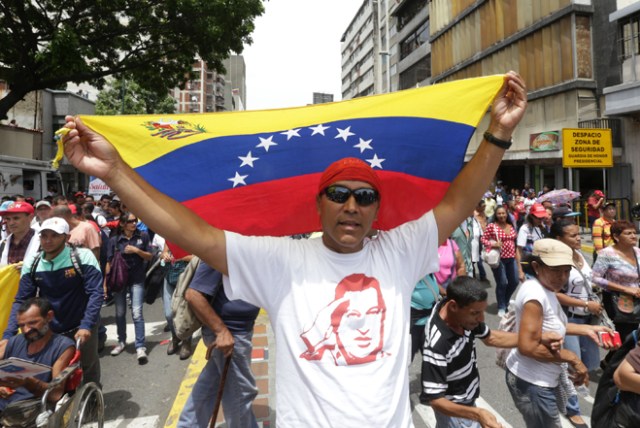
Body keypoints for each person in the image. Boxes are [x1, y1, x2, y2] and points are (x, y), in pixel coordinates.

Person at [61, 71, 527, 426]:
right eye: (338, 195)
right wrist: (114, 172)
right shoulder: (283, 261)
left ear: (376, 209)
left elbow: (459, 200)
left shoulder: (399, 250)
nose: (351, 205)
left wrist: (499, 133)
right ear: (318, 206)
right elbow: (193, 234)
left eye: (364, 197)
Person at [505, 239, 612, 428]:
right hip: (532, 382)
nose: (562, 277)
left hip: (542, 379)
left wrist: (589, 329)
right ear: (536, 266)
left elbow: (553, 326)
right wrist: (573, 359)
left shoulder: (547, 289)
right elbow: (527, 346)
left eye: (566, 270)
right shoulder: (535, 295)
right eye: (555, 270)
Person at [2, 217, 103, 385]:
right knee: (52, 371)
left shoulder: (83, 257)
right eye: (44, 236)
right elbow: (21, 300)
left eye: (54, 236)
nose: (48, 240)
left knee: (87, 365)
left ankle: (93, 398)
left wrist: (86, 325)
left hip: (82, 323)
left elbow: (96, 293)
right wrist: (8, 335)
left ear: (67, 237)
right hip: (50, 327)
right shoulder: (32, 263)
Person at [421, 276, 520, 427]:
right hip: (455, 414)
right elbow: (436, 400)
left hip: (468, 404)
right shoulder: (436, 344)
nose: (481, 318)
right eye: (475, 313)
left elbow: (490, 338)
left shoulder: (463, 317)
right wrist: (477, 414)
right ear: (453, 306)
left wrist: (532, 339)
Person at [178, 262, 260, 428]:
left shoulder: (244, 250)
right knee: (241, 394)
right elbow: (193, 295)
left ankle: (188, 425)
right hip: (229, 334)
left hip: (235, 332)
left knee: (211, 385)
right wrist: (221, 331)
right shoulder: (221, 249)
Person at [550, 220, 603, 428]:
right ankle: (572, 409)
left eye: (578, 234)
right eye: (572, 235)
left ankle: (560, 392)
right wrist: (584, 303)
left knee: (589, 364)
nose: (579, 237)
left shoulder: (580, 255)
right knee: (573, 364)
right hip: (568, 318)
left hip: (588, 318)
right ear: (559, 239)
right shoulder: (557, 262)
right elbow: (554, 293)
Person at [0, 298, 75, 414]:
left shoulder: (63, 347)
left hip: (30, 408)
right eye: (22, 325)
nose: (26, 330)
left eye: (32, 323)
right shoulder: (14, 342)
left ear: (49, 316)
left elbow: (55, 394)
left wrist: (29, 383)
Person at [107, 212, 152, 364]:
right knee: (120, 312)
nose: (134, 223)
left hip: (137, 279)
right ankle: (121, 341)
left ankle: (140, 346)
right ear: (122, 224)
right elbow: (109, 262)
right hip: (119, 281)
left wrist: (137, 251)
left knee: (137, 312)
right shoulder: (114, 240)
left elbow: (150, 256)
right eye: (130, 221)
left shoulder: (143, 236)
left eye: (135, 220)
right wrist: (104, 284)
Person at [592, 220, 640, 344]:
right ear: (616, 236)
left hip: (637, 298)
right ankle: (613, 363)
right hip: (618, 299)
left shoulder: (637, 252)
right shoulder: (606, 254)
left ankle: (610, 362)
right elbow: (595, 278)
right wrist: (625, 289)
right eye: (628, 233)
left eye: (634, 233)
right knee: (627, 338)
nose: (633, 236)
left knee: (634, 337)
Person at [481, 205, 522, 317]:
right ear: (496, 215)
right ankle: (501, 306)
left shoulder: (511, 225)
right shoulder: (492, 226)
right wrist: (493, 244)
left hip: (511, 258)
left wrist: (518, 260)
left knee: (514, 282)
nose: (501, 215)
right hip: (499, 259)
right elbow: (483, 239)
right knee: (502, 283)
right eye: (499, 213)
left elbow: (515, 243)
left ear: (506, 214)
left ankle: (506, 300)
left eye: (503, 213)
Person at [160, 243, 194, 359]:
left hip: (185, 277)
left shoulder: (189, 236)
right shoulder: (168, 237)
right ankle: (176, 337)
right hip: (169, 276)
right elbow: (162, 254)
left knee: (184, 313)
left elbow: (197, 258)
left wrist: (180, 257)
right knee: (169, 314)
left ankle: (186, 341)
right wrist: (164, 256)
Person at [0, 202, 40, 268]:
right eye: (8, 219)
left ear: (30, 217)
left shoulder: (43, 243)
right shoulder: (2, 245)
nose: (11, 223)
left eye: (16, 218)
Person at [516, 202, 547, 267]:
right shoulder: (525, 229)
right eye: (538, 217)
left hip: (542, 262)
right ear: (532, 216)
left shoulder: (543, 227)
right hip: (529, 264)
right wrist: (520, 270)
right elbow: (519, 250)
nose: (540, 220)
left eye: (542, 217)